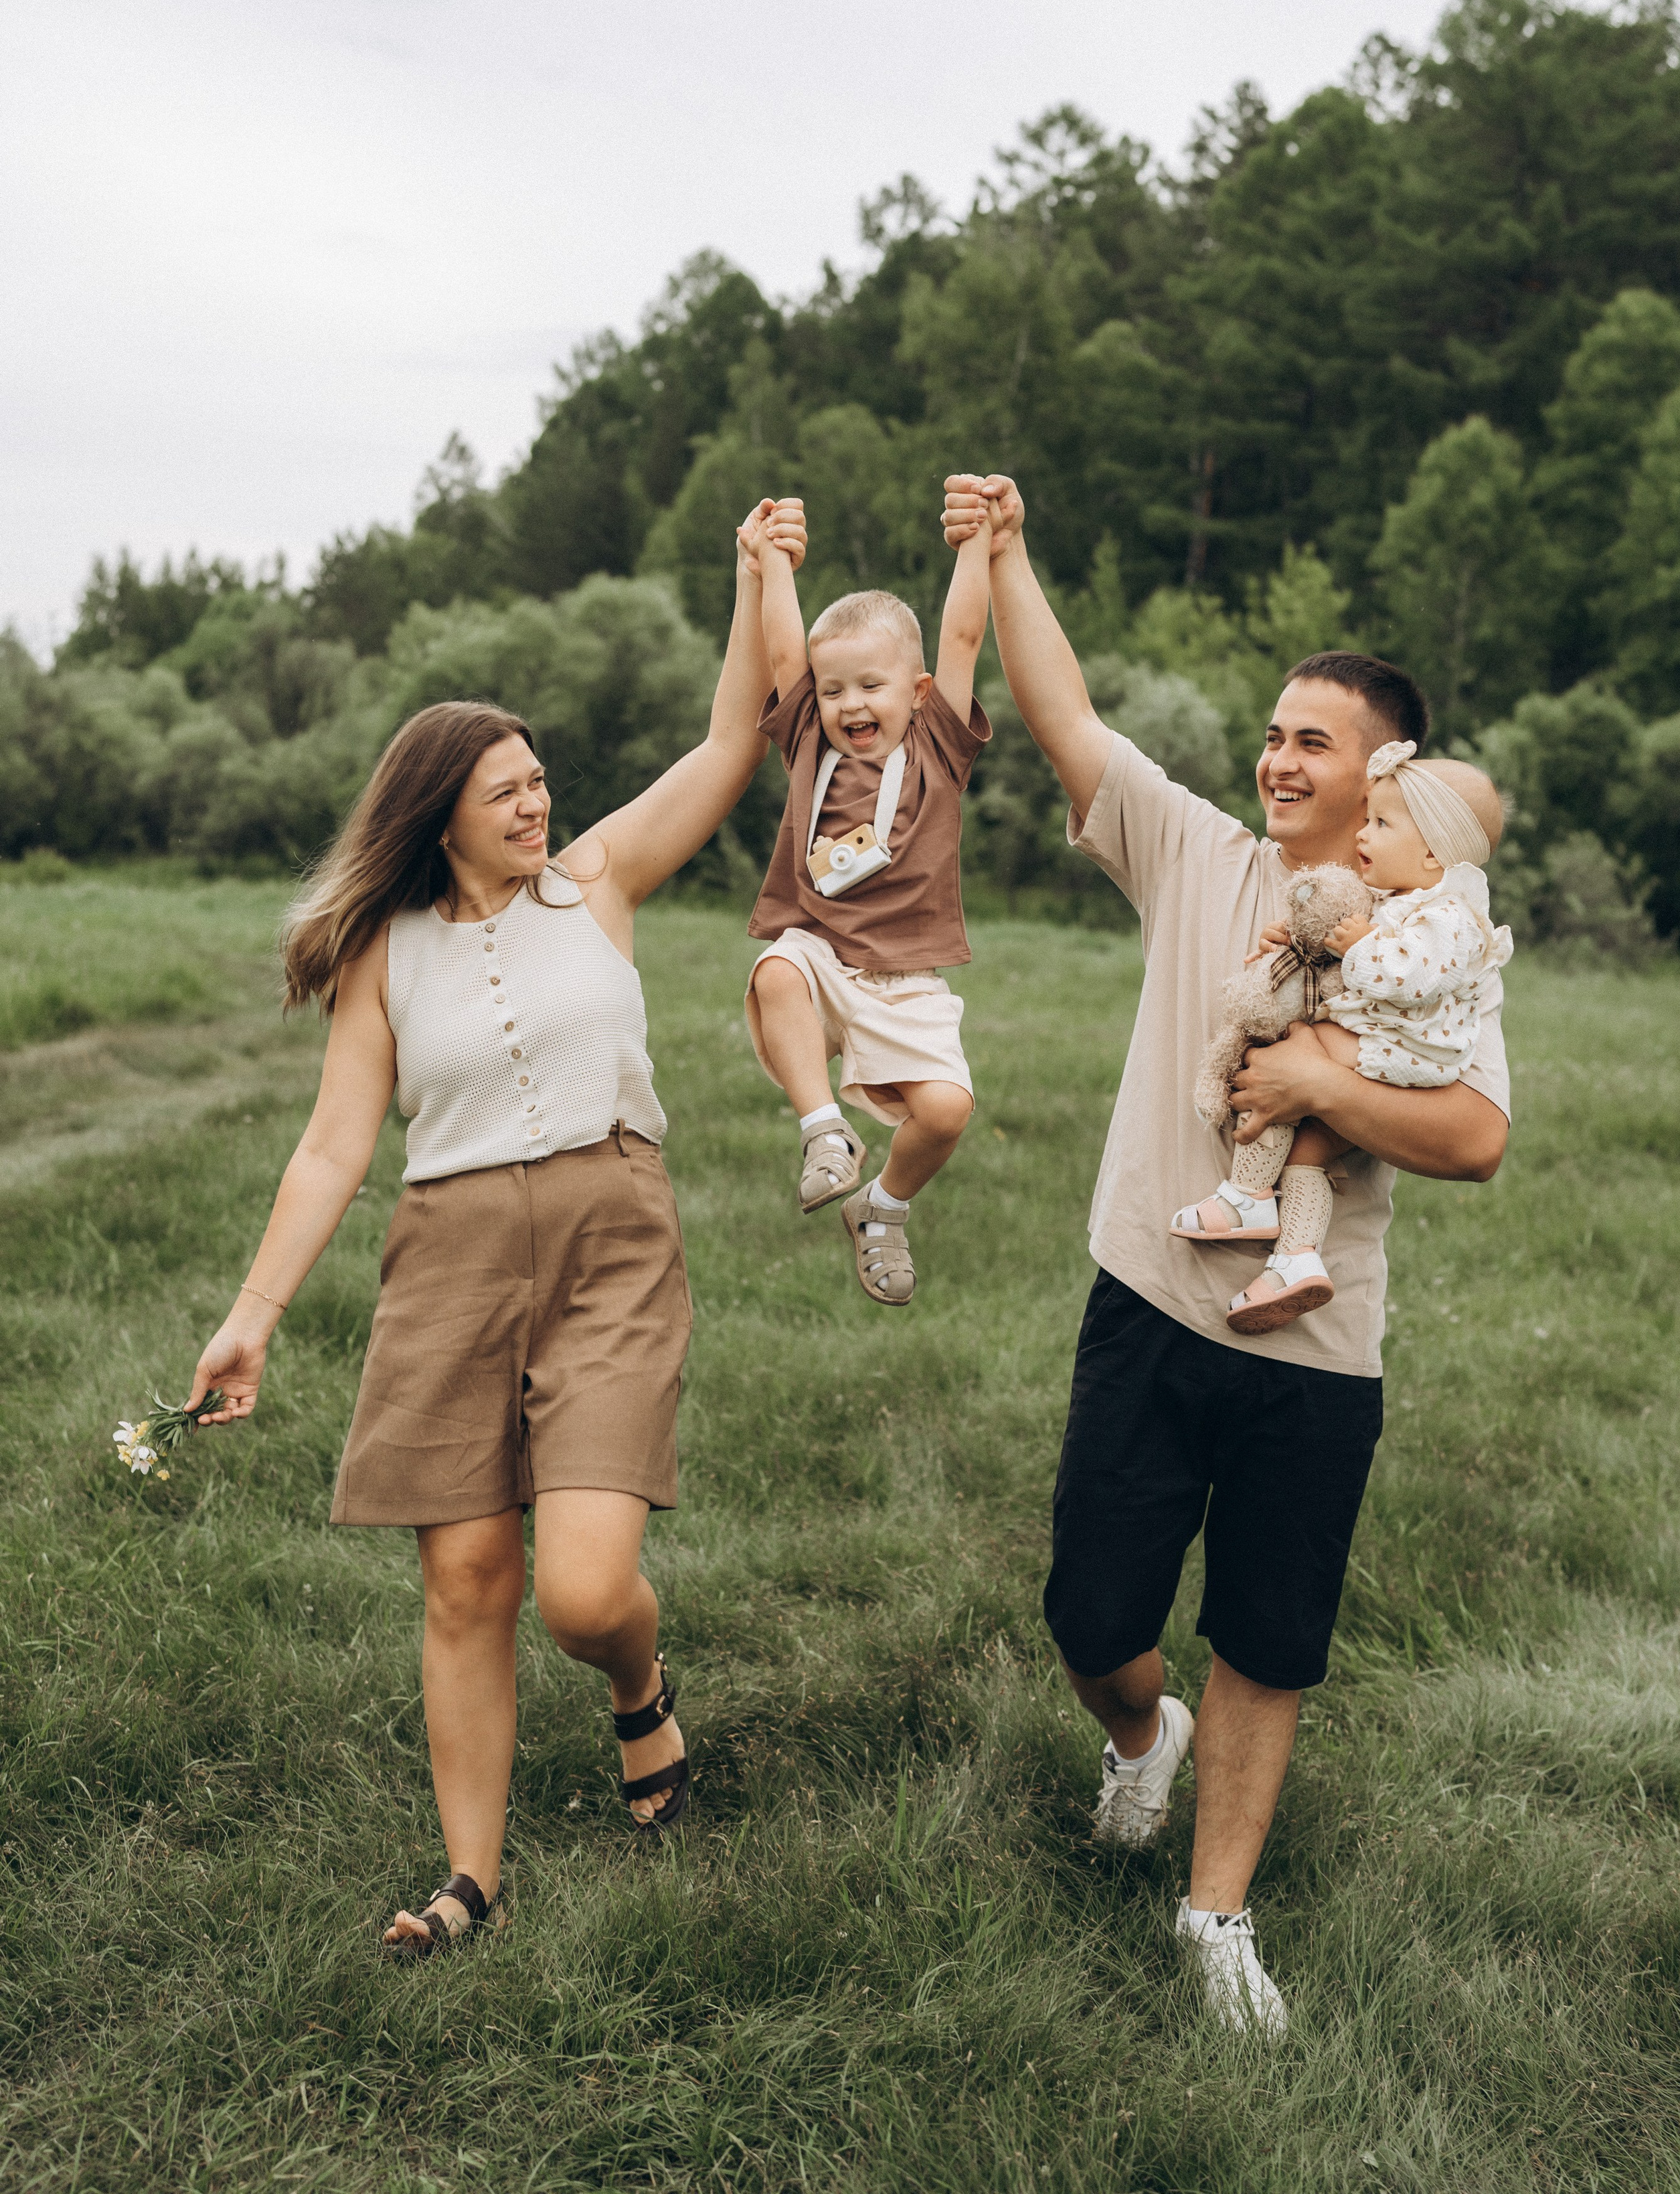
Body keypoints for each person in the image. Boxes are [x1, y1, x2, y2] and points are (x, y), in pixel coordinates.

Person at [182, 497, 804, 1956]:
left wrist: (748, 581)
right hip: (448, 1257)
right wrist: (252, 1318)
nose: (536, 804)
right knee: (466, 1575)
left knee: (582, 1591)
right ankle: (472, 1878)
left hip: (608, 1239)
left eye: (540, 782)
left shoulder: (598, 884)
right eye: (507, 791)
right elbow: (337, 1144)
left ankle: (635, 1688)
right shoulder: (385, 957)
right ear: (439, 809)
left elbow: (729, 745)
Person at [942, 475, 1510, 2041]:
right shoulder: (1195, 857)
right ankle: (1140, 1734)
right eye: (1268, 731)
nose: (1271, 756)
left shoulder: (1433, 939)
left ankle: (1215, 1917)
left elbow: (1473, 1136)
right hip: (1146, 1295)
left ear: (1380, 778)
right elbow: (1065, 721)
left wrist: (1323, 1087)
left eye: (1307, 740)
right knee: (1088, 1617)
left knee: (1265, 1633)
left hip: (1314, 1351)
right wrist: (1005, 557)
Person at [742, 492, 993, 1306]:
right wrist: (776, 558)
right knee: (775, 972)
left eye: (870, 687)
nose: (849, 705)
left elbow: (961, 635)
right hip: (822, 948)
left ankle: (881, 1209)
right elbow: (787, 650)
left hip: (906, 976)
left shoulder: (939, 747)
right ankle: (823, 1133)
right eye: (833, 689)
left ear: (918, 691)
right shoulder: (808, 742)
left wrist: (977, 544)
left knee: (948, 1110)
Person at [1172, 740, 1511, 1334]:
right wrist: (1300, 940)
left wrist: (1359, 947)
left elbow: (1407, 976)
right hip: (1389, 1045)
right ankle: (1296, 1261)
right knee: (1310, 1154)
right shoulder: (1400, 902)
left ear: (1433, 855)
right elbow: (1339, 938)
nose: (1364, 834)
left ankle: (1248, 1190)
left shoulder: (1450, 916)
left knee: (1293, 1053)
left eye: (1382, 823)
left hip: (1407, 1051)